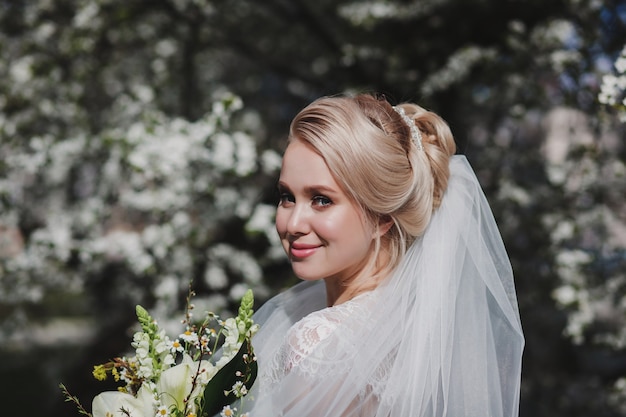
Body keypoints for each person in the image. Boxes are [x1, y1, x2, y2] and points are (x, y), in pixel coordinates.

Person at [243, 93, 524, 416]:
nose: (293, 223)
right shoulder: (422, 332)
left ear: (382, 217)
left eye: (322, 200)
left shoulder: (317, 342)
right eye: (286, 197)